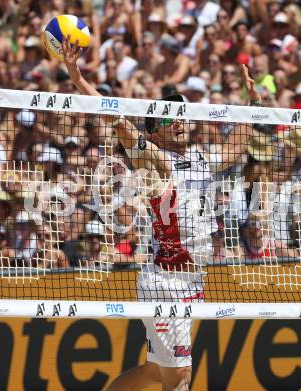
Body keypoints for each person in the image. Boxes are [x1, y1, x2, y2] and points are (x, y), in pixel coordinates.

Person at [62, 35, 261, 391]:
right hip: (165, 282)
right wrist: (78, 79)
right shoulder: (153, 160)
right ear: (155, 133)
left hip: (192, 278)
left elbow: (235, 144)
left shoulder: (200, 159)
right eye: (171, 119)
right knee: (180, 377)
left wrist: (251, 104)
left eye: (182, 115)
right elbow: (116, 116)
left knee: (154, 372)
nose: (181, 122)